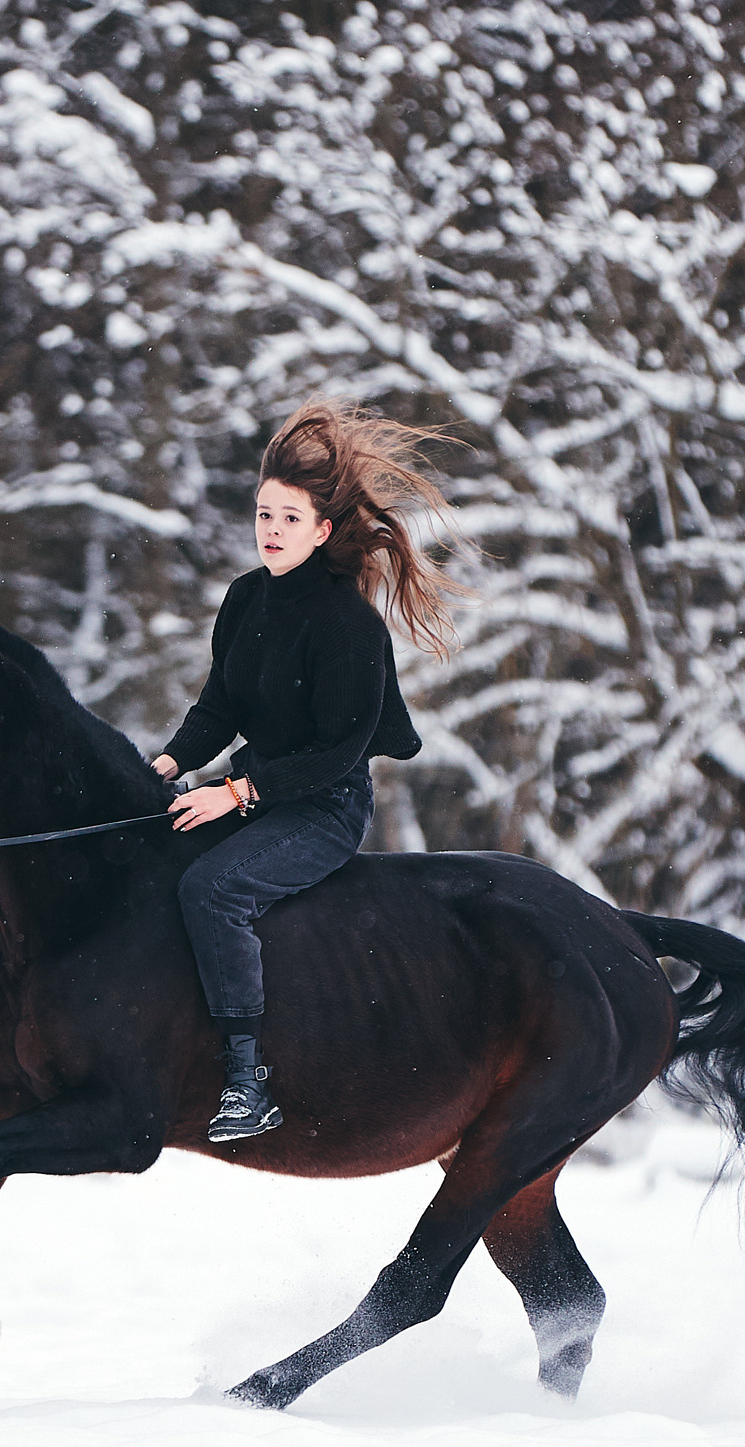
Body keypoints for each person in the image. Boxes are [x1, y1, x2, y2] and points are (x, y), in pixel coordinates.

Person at [154, 398, 463, 1141]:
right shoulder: (242, 598)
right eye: (264, 515)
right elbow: (217, 708)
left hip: (324, 807)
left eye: (289, 519)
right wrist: (163, 764)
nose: (271, 531)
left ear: (322, 531)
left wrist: (238, 791)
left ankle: (245, 1081)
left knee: (215, 887)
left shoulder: (346, 622)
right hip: (254, 791)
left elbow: (339, 751)